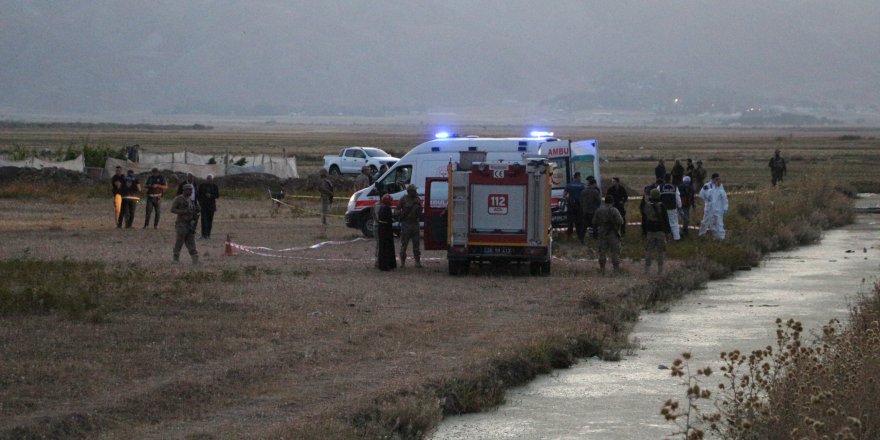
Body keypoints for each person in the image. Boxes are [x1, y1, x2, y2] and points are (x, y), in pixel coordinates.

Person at [641, 188, 671, 274]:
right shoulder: (662, 206)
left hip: (650, 231)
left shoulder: (646, 206)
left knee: (648, 251)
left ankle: (646, 270)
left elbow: (644, 220)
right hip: (660, 231)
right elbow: (666, 220)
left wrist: (643, 232)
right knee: (660, 251)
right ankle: (660, 271)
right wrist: (668, 232)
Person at [593, 195, 624, 274]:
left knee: (602, 252)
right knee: (615, 252)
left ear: (605, 201)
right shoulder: (614, 210)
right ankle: (616, 270)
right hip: (613, 233)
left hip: (602, 233)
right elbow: (621, 221)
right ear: (612, 202)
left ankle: (602, 269)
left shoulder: (599, 210)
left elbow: (594, 222)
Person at [170, 184, 200, 264]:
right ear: (184, 190)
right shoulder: (179, 199)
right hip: (181, 223)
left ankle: (195, 259)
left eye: (191, 190)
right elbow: (172, 209)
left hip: (189, 224)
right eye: (188, 190)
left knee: (191, 242)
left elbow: (194, 211)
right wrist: (183, 212)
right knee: (179, 241)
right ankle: (175, 258)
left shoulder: (191, 200)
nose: (190, 191)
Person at [397, 184, 422, 268]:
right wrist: (401, 214)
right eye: (414, 190)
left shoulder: (417, 199)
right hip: (406, 224)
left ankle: (417, 262)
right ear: (409, 191)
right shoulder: (403, 199)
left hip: (415, 223)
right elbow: (397, 210)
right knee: (404, 244)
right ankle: (402, 263)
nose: (415, 192)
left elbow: (420, 212)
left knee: (416, 244)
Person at [698, 173, 729, 240]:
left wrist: (725, 208)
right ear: (713, 179)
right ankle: (701, 235)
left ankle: (720, 238)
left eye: (719, 179)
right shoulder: (707, 186)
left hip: (718, 209)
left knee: (719, 223)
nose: (718, 180)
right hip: (709, 208)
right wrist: (707, 199)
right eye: (716, 179)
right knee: (705, 222)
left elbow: (724, 198)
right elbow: (701, 195)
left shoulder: (720, 186)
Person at [375, 194, 397, 271]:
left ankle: (386, 264)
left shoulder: (383, 207)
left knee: (384, 246)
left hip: (384, 228)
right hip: (385, 229)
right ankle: (385, 265)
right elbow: (388, 219)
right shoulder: (386, 208)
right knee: (386, 247)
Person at [578, 175, 601, 243]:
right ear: (593, 184)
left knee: (584, 226)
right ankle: (595, 238)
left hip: (585, 211)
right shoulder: (595, 191)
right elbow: (598, 201)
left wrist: (583, 207)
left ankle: (581, 238)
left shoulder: (583, 191)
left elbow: (580, 201)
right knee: (595, 225)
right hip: (593, 211)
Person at [563, 172, 586, 239]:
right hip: (579, 205)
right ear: (578, 177)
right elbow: (585, 195)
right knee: (579, 221)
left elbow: (564, 195)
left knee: (570, 220)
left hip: (571, 204)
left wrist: (568, 200)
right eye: (580, 177)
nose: (580, 178)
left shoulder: (569, 185)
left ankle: (569, 235)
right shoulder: (582, 185)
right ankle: (580, 236)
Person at [659, 177, 682, 241]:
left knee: (663, 223)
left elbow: (657, 197)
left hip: (663, 208)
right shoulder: (674, 187)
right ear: (670, 179)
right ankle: (677, 238)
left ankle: (664, 239)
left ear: (664, 180)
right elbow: (677, 198)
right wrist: (679, 206)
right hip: (672, 208)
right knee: (674, 223)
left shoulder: (660, 187)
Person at [197, 174, 220, 239]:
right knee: (203, 221)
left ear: (212, 180)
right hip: (203, 206)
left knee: (210, 221)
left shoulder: (215, 186)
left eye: (210, 179)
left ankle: (208, 235)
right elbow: (198, 195)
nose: (209, 180)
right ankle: (203, 235)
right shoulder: (202, 186)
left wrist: (211, 196)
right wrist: (200, 202)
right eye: (208, 178)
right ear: (206, 179)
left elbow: (217, 195)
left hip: (211, 207)